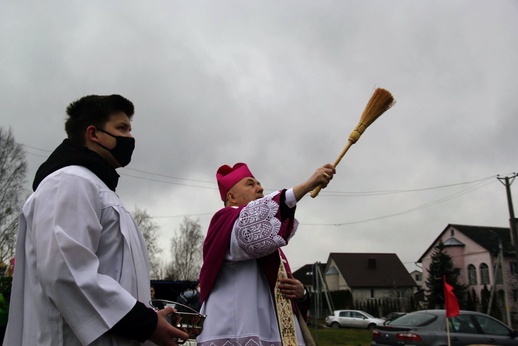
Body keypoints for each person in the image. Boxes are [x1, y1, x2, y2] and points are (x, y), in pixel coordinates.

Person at [3, 95, 188, 346]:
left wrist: (150, 317)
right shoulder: (69, 181)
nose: (130, 138)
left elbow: (113, 274)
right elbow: (66, 272)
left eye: (130, 129)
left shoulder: (98, 188)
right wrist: (146, 324)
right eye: (121, 128)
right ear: (93, 133)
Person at [198, 162, 335, 346]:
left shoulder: (263, 240)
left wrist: (302, 293)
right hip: (238, 330)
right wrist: (306, 185)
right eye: (250, 184)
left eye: (258, 183)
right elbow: (260, 217)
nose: (260, 188)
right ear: (231, 196)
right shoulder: (225, 222)